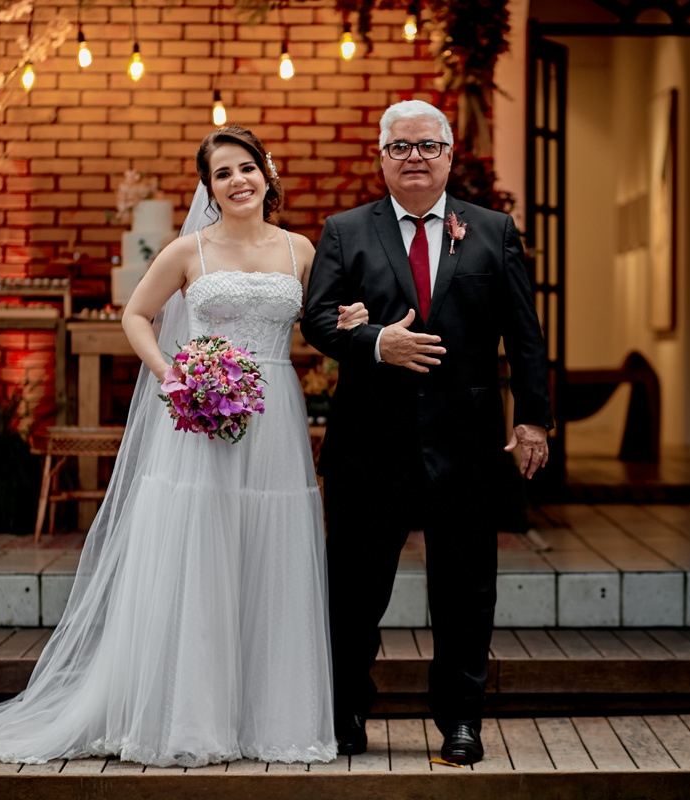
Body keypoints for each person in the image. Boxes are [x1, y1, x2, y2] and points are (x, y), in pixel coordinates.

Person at [0, 126, 357, 767]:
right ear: (208, 189)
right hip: (201, 418)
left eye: (247, 168)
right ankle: (193, 718)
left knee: (267, 553)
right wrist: (174, 376)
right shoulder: (189, 251)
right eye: (222, 174)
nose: (238, 181)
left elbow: (326, 317)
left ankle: (269, 721)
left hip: (274, 421)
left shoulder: (301, 249)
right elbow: (135, 315)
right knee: (202, 554)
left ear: (267, 172)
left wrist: (350, 319)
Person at [300, 100, 553, 765]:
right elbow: (316, 322)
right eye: (401, 146)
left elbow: (525, 336)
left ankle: (461, 721)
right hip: (368, 443)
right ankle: (347, 712)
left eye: (428, 146)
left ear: (449, 156)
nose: (415, 156)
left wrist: (532, 418)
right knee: (355, 592)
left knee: (465, 592)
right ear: (381, 157)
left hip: (466, 443)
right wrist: (379, 341)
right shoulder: (345, 231)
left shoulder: (493, 231)